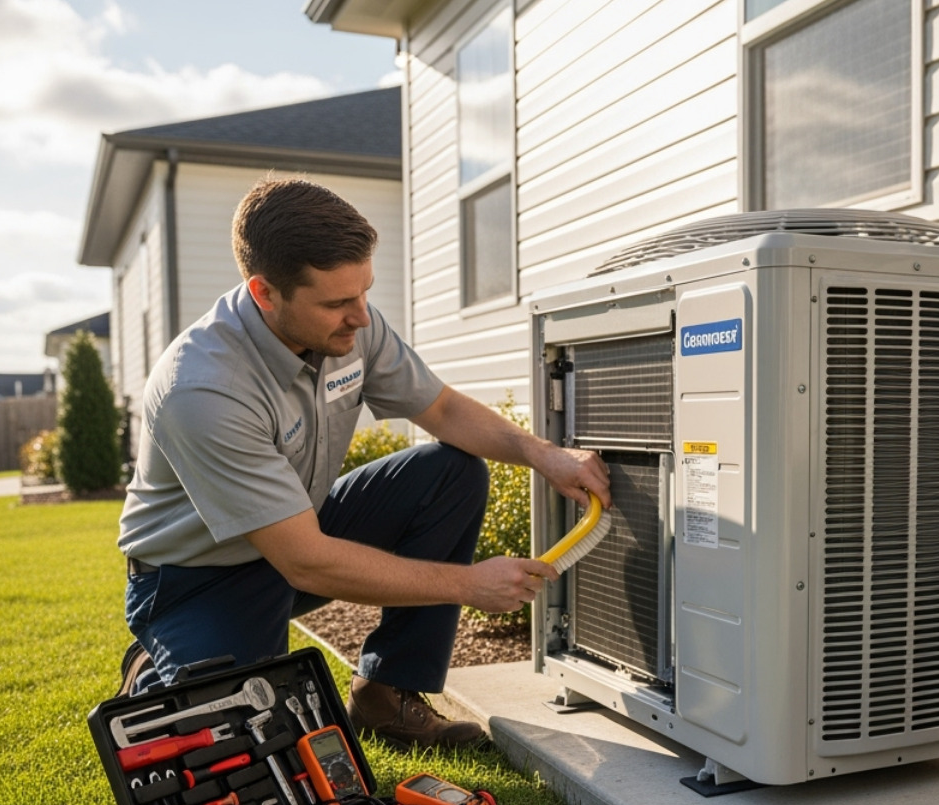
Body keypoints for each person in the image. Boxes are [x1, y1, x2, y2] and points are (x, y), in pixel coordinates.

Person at [117, 177, 610, 750]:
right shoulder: (203, 389)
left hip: (300, 529)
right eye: (336, 303)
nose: (360, 316)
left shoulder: (352, 328)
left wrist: (544, 454)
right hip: (199, 579)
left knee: (449, 473)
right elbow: (307, 563)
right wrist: (470, 584)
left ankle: (386, 695)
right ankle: (157, 664)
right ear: (264, 292)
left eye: (363, 293)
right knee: (245, 739)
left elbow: (444, 410)